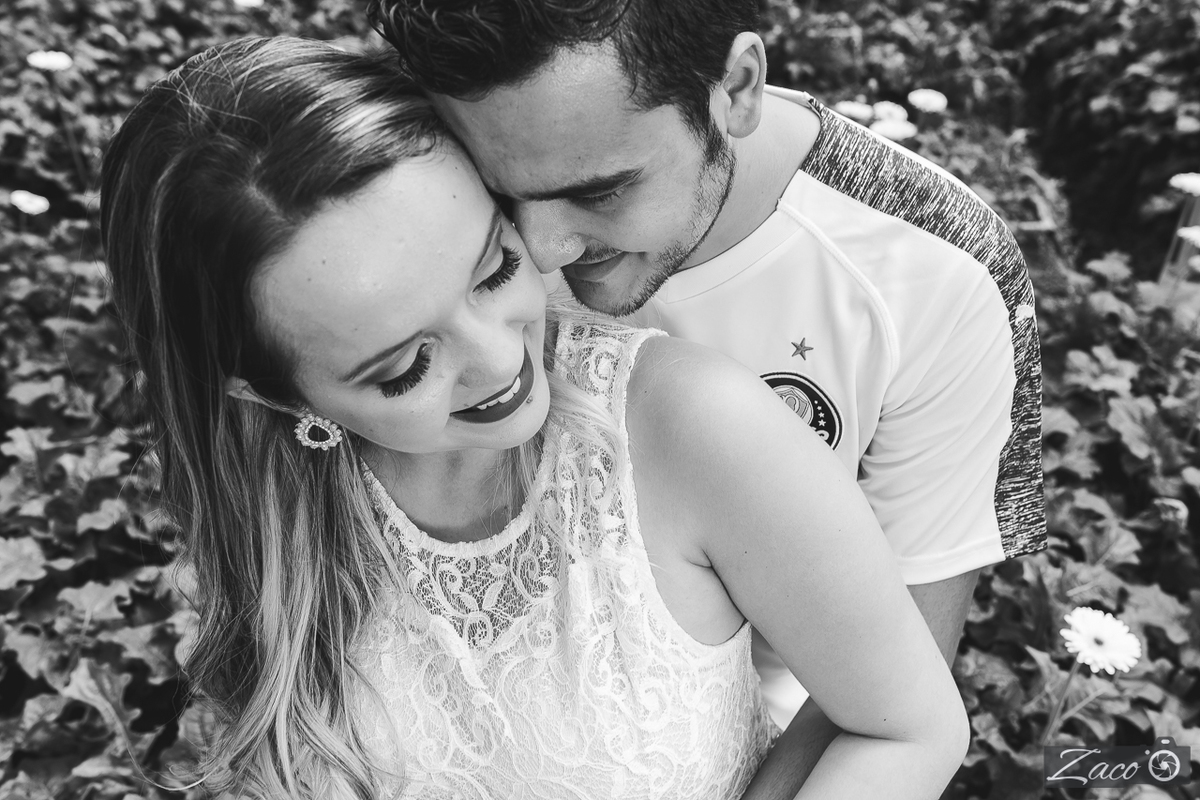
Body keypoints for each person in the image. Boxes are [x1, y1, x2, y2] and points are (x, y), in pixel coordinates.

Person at [101, 37, 967, 800]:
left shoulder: (695, 429)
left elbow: (905, 729)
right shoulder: (269, 502)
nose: (499, 359)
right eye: (405, 368)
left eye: (493, 270)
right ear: (272, 395)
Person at [367, 0, 1047, 785]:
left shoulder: (937, 278)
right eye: (498, 191)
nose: (542, 251)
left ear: (739, 87)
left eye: (602, 191)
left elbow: (896, 698)